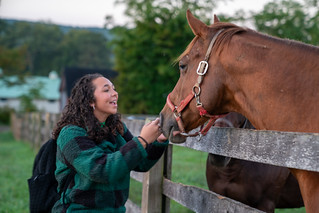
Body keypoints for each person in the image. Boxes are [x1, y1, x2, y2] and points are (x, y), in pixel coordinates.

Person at [51, 73, 168, 212]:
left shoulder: (116, 128)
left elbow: (141, 163)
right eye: (106, 90)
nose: (115, 94)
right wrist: (142, 140)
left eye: (114, 89)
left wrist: (159, 140)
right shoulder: (71, 133)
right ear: (90, 101)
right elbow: (101, 170)